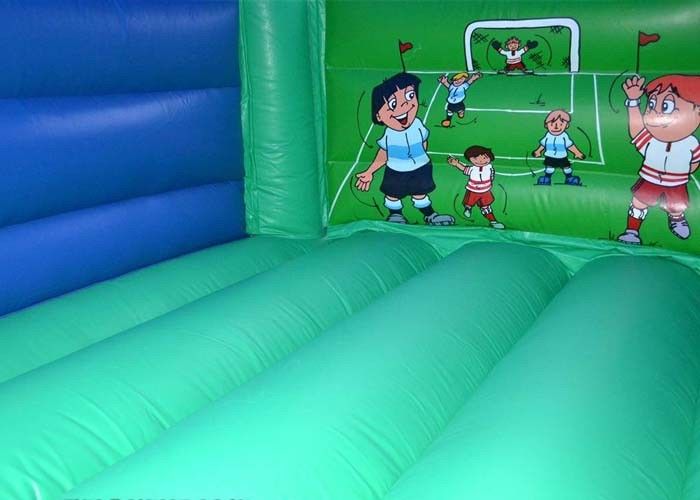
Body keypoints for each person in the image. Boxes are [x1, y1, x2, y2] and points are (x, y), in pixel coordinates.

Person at [355, 72, 455, 225]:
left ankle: (430, 215)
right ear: (379, 116)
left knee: (420, 193)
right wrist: (370, 172)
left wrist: (421, 157)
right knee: (392, 195)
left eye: (410, 96)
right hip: (396, 170)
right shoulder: (389, 134)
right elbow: (383, 153)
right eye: (393, 104)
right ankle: (396, 215)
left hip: (421, 167)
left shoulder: (417, 124)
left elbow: (424, 141)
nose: (404, 105)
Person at [618, 74, 700, 245]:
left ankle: (676, 218)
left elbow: (695, 162)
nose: (654, 112)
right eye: (651, 104)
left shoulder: (691, 143)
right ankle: (632, 231)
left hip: (676, 183)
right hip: (650, 179)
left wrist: (682, 172)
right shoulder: (651, 140)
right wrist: (633, 102)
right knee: (639, 202)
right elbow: (636, 130)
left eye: (666, 106)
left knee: (676, 205)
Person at [447, 145, 505, 229]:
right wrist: (457, 164)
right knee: (469, 203)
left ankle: (493, 222)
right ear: (471, 159)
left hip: (485, 191)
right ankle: (468, 208)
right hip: (473, 191)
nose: (481, 161)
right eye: (475, 158)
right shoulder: (472, 169)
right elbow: (464, 169)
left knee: (486, 208)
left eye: (484, 158)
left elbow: (491, 176)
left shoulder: (489, 167)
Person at [533, 109, 586, 185]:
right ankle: (547, 178)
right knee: (550, 167)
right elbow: (543, 144)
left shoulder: (564, 136)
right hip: (550, 156)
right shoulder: (548, 135)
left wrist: (577, 153)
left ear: (566, 126)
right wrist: (538, 151)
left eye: (561, 124)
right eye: (552, 124)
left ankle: (569, 177)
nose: (556, 127)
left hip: (562, 156)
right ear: (546, 125)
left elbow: (570, 145)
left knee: (566, 167)